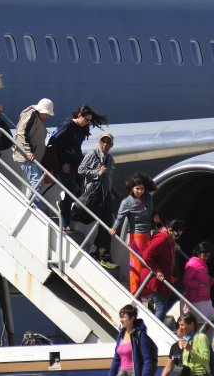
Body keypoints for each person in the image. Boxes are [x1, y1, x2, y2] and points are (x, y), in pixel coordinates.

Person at [46, 105, 107, 232]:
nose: (88, 122)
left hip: (76, 162)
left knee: (83, 188)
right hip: (65, 164)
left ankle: (64, 206)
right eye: (86, 119)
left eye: (89, 120)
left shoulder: (82, 128)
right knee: (70, 191)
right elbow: (53, 141)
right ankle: (64, 222)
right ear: (79, 116)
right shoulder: (67, 125)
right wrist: (63, 163)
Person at [78, 132, 119, 270]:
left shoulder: (111, 160)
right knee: (104, 223)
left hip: (105, 195)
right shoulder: (92, 154)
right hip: (94, 195)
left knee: (107, 224)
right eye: (103, 142)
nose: (105, 145)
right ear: (99, 142)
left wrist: (115, 193)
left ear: (111, 145)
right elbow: (81, 170)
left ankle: (98, 254)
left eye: (108, 143)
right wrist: (97, 173)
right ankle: (100, 254)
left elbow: (110, 179)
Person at [109, 172, 156, 293]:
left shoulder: (148, 198)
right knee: (136, 265)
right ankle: (135, 291)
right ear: (131, 189)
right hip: (137, 236)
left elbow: (152, 210)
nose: (140, 191)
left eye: (142, 189)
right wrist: (114, 228)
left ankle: (145, 290)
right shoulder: (127, 202)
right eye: (137, 189)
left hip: (149, 234)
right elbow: (120, 217)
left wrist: (155, 217)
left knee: (147, 264)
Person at [12, 98, 55, 212]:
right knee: (37, 182)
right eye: (48, 113)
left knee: (36, 182)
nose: (48, 116)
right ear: (43, 111)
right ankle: (34, 209)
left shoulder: (36, 117)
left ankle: (30, 205)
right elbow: (21, 133)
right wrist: (28, 151)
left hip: (32, 158)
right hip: (27, 157)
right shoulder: (31, 115)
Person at [143, 219, 185, 321]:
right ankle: (154, 332)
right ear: (170, 230)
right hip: (156, 279)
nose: (177, 238)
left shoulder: (169, 239)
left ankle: (153, 318)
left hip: (165, 277)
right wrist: (157, 270)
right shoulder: (161, 239)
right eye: (177, 235)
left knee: (174, 296)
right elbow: (146, 255)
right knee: (162, 307)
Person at [108, 304, 157, 376]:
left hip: (134, 373)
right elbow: (116, 359)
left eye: (124, 317)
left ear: (132, 318)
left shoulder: (140, 335)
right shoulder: (120, 335)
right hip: (122, 373)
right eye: (120, 317)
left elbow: (147, 360)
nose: (121, 320)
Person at [182, 241, 214, 324]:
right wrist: (199, 285)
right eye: (205, 255)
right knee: (200, 323)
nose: (207, 258)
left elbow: (205, 279)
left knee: (208, 323)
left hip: (205, 299)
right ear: (199, 253)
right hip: (196, 300)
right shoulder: (192, 264)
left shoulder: (203, 264)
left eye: (208, 256)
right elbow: (186, 281)